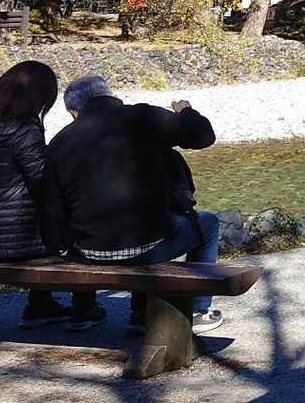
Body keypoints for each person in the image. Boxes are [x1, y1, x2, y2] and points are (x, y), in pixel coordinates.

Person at [47, 76, 227, 332]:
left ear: (74, 111)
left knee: (92, 220)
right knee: (208, 224)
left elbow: (55, 209)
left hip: (89, 254)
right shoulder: (141, 117)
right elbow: (203, 136)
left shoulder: (60, 142)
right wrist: (186, 111)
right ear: (110, 95)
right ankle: (197, 309)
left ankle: (85, 312)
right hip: (150, 246)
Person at [0, 61, 92, 329]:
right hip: (10, 244)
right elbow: (42, 182)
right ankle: (84, 309)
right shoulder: (24, 128)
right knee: (75, 224)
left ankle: (41, 305)